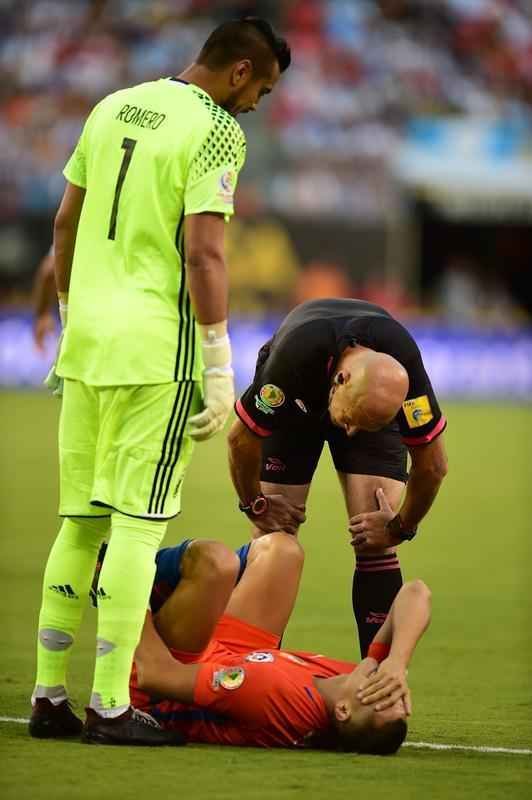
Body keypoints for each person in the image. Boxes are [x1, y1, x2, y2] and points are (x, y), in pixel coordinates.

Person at [29, 17, 291, 746]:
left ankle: (50, 695)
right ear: (239, 72)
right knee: (138, 527)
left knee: (78, 522)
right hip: (156, 353)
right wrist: (219, 362)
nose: (257, 106)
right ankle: (111, 703)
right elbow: (206, 254)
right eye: (261, 89)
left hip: (88, 346)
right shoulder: (214, 129)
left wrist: (71, 314)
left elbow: (63, 225)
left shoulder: (112, 104)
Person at [227, 297, 447, 658]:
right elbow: (240, 438)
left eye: (366, 426)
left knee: (376, 537)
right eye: (351, 419)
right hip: (297, 404)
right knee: (273, 538)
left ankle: (377, 684)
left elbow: (433, 465)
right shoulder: (293, 358)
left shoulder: (401, 367)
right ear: (341, 380)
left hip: (365, 396)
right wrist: (253, 503)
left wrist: (400, 526)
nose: (350, 432)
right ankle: (252, 670)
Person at [128, 531, 431, 752]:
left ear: (343, 711)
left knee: (216, 564)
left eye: (382, 696)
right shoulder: (355, 677)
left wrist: (126, 595)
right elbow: (416, 592)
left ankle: (113, 564)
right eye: (398, 694)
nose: (387, 684)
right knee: (284, 551)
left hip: (163, 678)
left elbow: (154, 675)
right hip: (234, 654)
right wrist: (397, 662)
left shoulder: (272, 696)